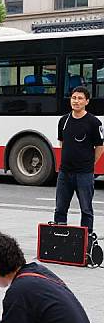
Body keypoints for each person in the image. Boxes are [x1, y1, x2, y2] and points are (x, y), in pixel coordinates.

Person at [54, 85, 104, 234]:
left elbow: (100, 147)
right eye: (74, 98)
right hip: (64, 173)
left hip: (84, 174)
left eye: (80, 98)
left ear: (87, 101)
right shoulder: (63, 120)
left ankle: (86, 241)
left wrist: (89, 164)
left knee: (86, 209)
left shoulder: (94, 122)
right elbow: (62, 143)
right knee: (60, 209)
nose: (76, 101)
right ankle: (59, 237)